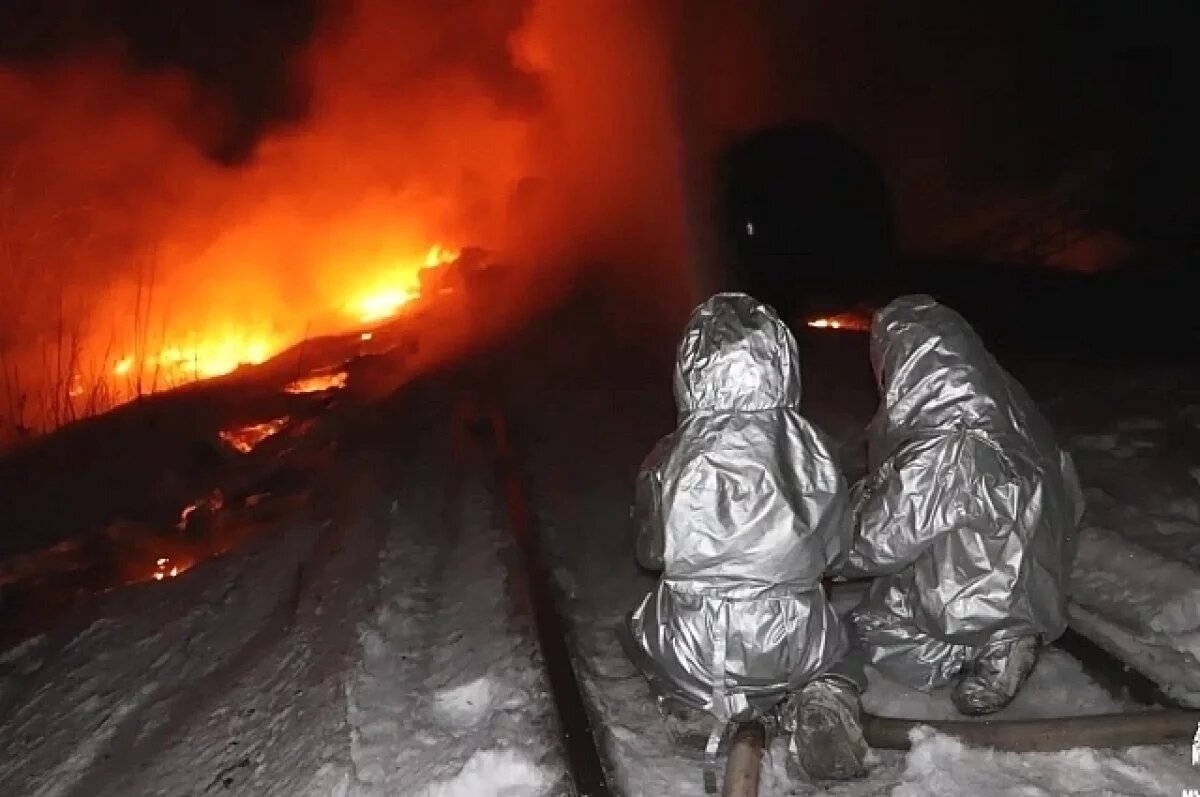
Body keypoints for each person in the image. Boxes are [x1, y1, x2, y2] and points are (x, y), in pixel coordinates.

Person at [623, 292, 868, 781]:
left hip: (700, 647)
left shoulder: (669, 457)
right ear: (781, 362)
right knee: (842, 645)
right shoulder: (812, 449)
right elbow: (837, 550)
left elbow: (649, 554)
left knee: (638, 631)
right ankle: (823, 698)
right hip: (791, 640)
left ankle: (690, 703)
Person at [839, 295, 1085, 715]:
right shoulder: (1004, 411)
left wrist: (822, 544)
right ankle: (1008, 634)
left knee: (870, 630)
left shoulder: (948, 446)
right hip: (1035, 582)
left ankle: (994, 644)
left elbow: (879, 542)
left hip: (977, 594)